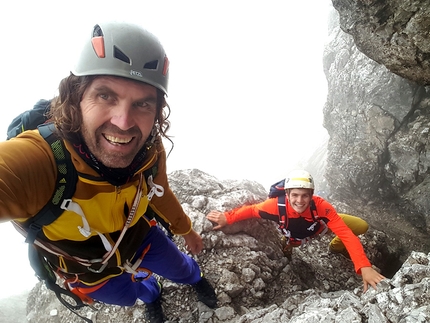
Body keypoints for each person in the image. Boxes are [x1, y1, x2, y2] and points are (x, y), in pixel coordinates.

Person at [0, 21, 217, 323]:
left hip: (141, 238)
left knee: (183, 269)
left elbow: (160, 192)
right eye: (106, 96)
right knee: (130, 296)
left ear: (157, 112)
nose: (124, 122)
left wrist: (186, 231)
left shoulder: (149, 152)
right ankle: (152, 294)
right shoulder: (42, 160)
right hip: (88, 270)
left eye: (143, 103)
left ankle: (196, 279)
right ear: (76, 96)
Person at [206, 169, 385, 293]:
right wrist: (228, 218)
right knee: (288, 250)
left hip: (323, 229)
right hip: (296, 238)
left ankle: (335, 248)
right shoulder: (276, 206)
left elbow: (346, 233)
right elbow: (252, 210)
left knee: (361, 226)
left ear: (311, 195)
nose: (300, 200)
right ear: (288, 194)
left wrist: (364, 267)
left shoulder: (321, 206)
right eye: (295, 195)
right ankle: (288, 247)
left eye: (305, 195)